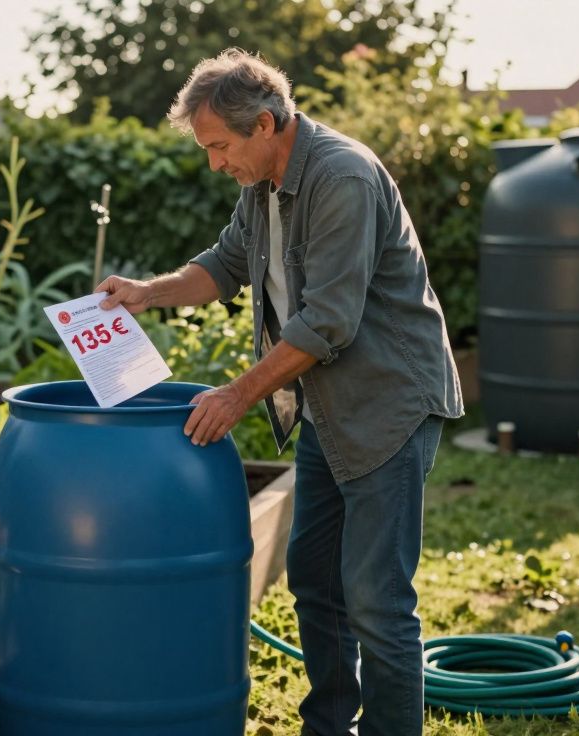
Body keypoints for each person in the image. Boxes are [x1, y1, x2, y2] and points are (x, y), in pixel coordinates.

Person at [96, 48, 463, 736]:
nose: (215, 163)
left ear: (265, 124)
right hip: (328, 408)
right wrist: (150, 292)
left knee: (378, 600)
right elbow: (227, 264)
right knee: (315, 581)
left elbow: (328, 321)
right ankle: (330, 726)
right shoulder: (262, 181)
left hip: (388, 404)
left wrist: (235, 396)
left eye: (220, 146)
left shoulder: (342, 177)